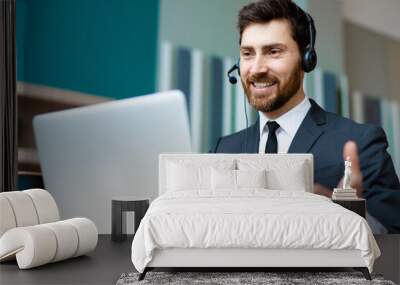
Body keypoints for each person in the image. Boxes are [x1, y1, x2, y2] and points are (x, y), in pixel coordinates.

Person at [212, 0, 400, 233]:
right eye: (248, 54)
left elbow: (395, 242)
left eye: (273, 52)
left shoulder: (361, 142)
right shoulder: (224, 149)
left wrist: (354, 222)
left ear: (306, 58)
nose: (257, 68)